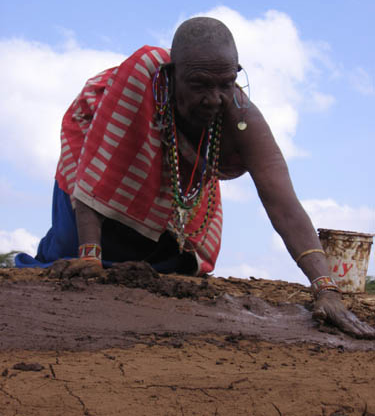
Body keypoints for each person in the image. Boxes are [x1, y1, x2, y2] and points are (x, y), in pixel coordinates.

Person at [16, 17, 374, 339]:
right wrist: (90, 256)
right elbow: (97, 165)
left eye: (226, 84)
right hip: (91, 179)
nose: (213, 99)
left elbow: (283, 203)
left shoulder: (240, 114)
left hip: (168, 203)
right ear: (172, 75)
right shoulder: (141, 77)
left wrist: (325, 288)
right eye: (200, 84)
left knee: (175, 266)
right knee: (68, 255)